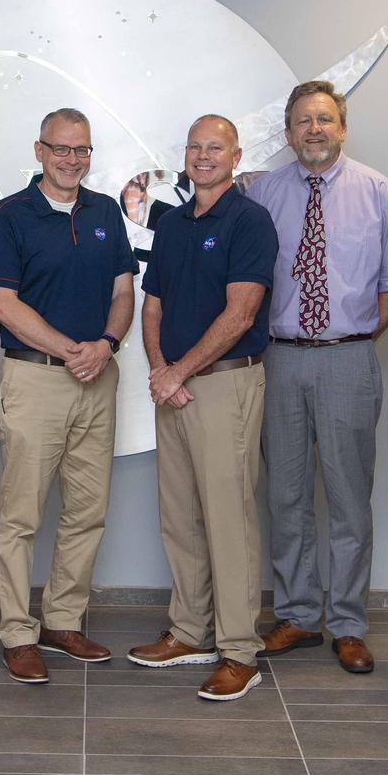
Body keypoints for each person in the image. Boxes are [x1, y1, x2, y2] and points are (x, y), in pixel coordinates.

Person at [245, 80, 388, 674]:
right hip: (280, 356)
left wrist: (360, 334)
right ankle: (296, 615)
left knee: (348, 498)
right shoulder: (262, 194)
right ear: (288, 132)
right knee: (286, 493)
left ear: (342, 127)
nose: (313, 130)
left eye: (323, 119)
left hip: (348, 357)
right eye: (301, 121)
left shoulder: (381, 194)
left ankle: (346, 623)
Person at [0, 107, 138, 684]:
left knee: (87, 510)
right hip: (36, 379)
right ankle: (18, 632)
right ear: (40, 151)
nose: (73, 160)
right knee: (20, 516)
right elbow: (3, 305)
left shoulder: (105, 212)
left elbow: (124, 290)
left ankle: (63, 621)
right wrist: (74, 349)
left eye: (83, 150)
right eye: (62, 149)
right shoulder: (10, 215)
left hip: (99, 377)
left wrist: (107, 343)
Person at [127, 116, 278, 701]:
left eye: (215, 147)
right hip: (176, 387)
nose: (203, 156)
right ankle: (190, 631)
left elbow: (241, 314)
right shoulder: (172, 222)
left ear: (236, 155)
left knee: (229, 518)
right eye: (194, 147)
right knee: (181, 516)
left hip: (225, 385)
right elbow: (152, 305)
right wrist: (162, 372)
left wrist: (177, 372)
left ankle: (239, 648)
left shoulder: (250, 221)